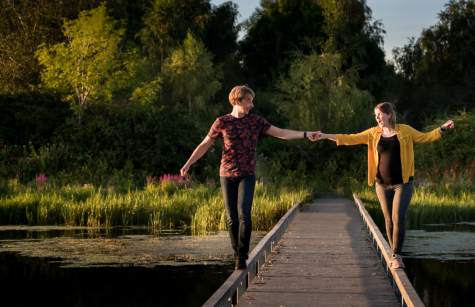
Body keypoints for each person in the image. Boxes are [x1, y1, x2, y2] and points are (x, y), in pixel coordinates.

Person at [180, 85, 319, 270]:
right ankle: (237, 251)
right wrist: (188, 163)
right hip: (226, 175)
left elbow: (281, 133)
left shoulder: (255, 122)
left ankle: (241, 256)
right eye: (249, 101)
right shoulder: (222, 122)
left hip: (247, 174)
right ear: (237, 102)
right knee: (231, 218)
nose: (252, 105)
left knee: (244, 214)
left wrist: (306, 134)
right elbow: (205, 144)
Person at [314, 102, 453, 269]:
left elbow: (425, 137)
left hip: (403, 183)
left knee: (399, 217)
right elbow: (350, 138)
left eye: (380, 114)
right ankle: (393, 253)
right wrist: (324, 136)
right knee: (388, 219)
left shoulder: (405, 131)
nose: (377, 118)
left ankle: (397, 255)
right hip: (382, 184)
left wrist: (442, 128)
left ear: (389, 114)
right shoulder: (373, 133)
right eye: (376, 115)